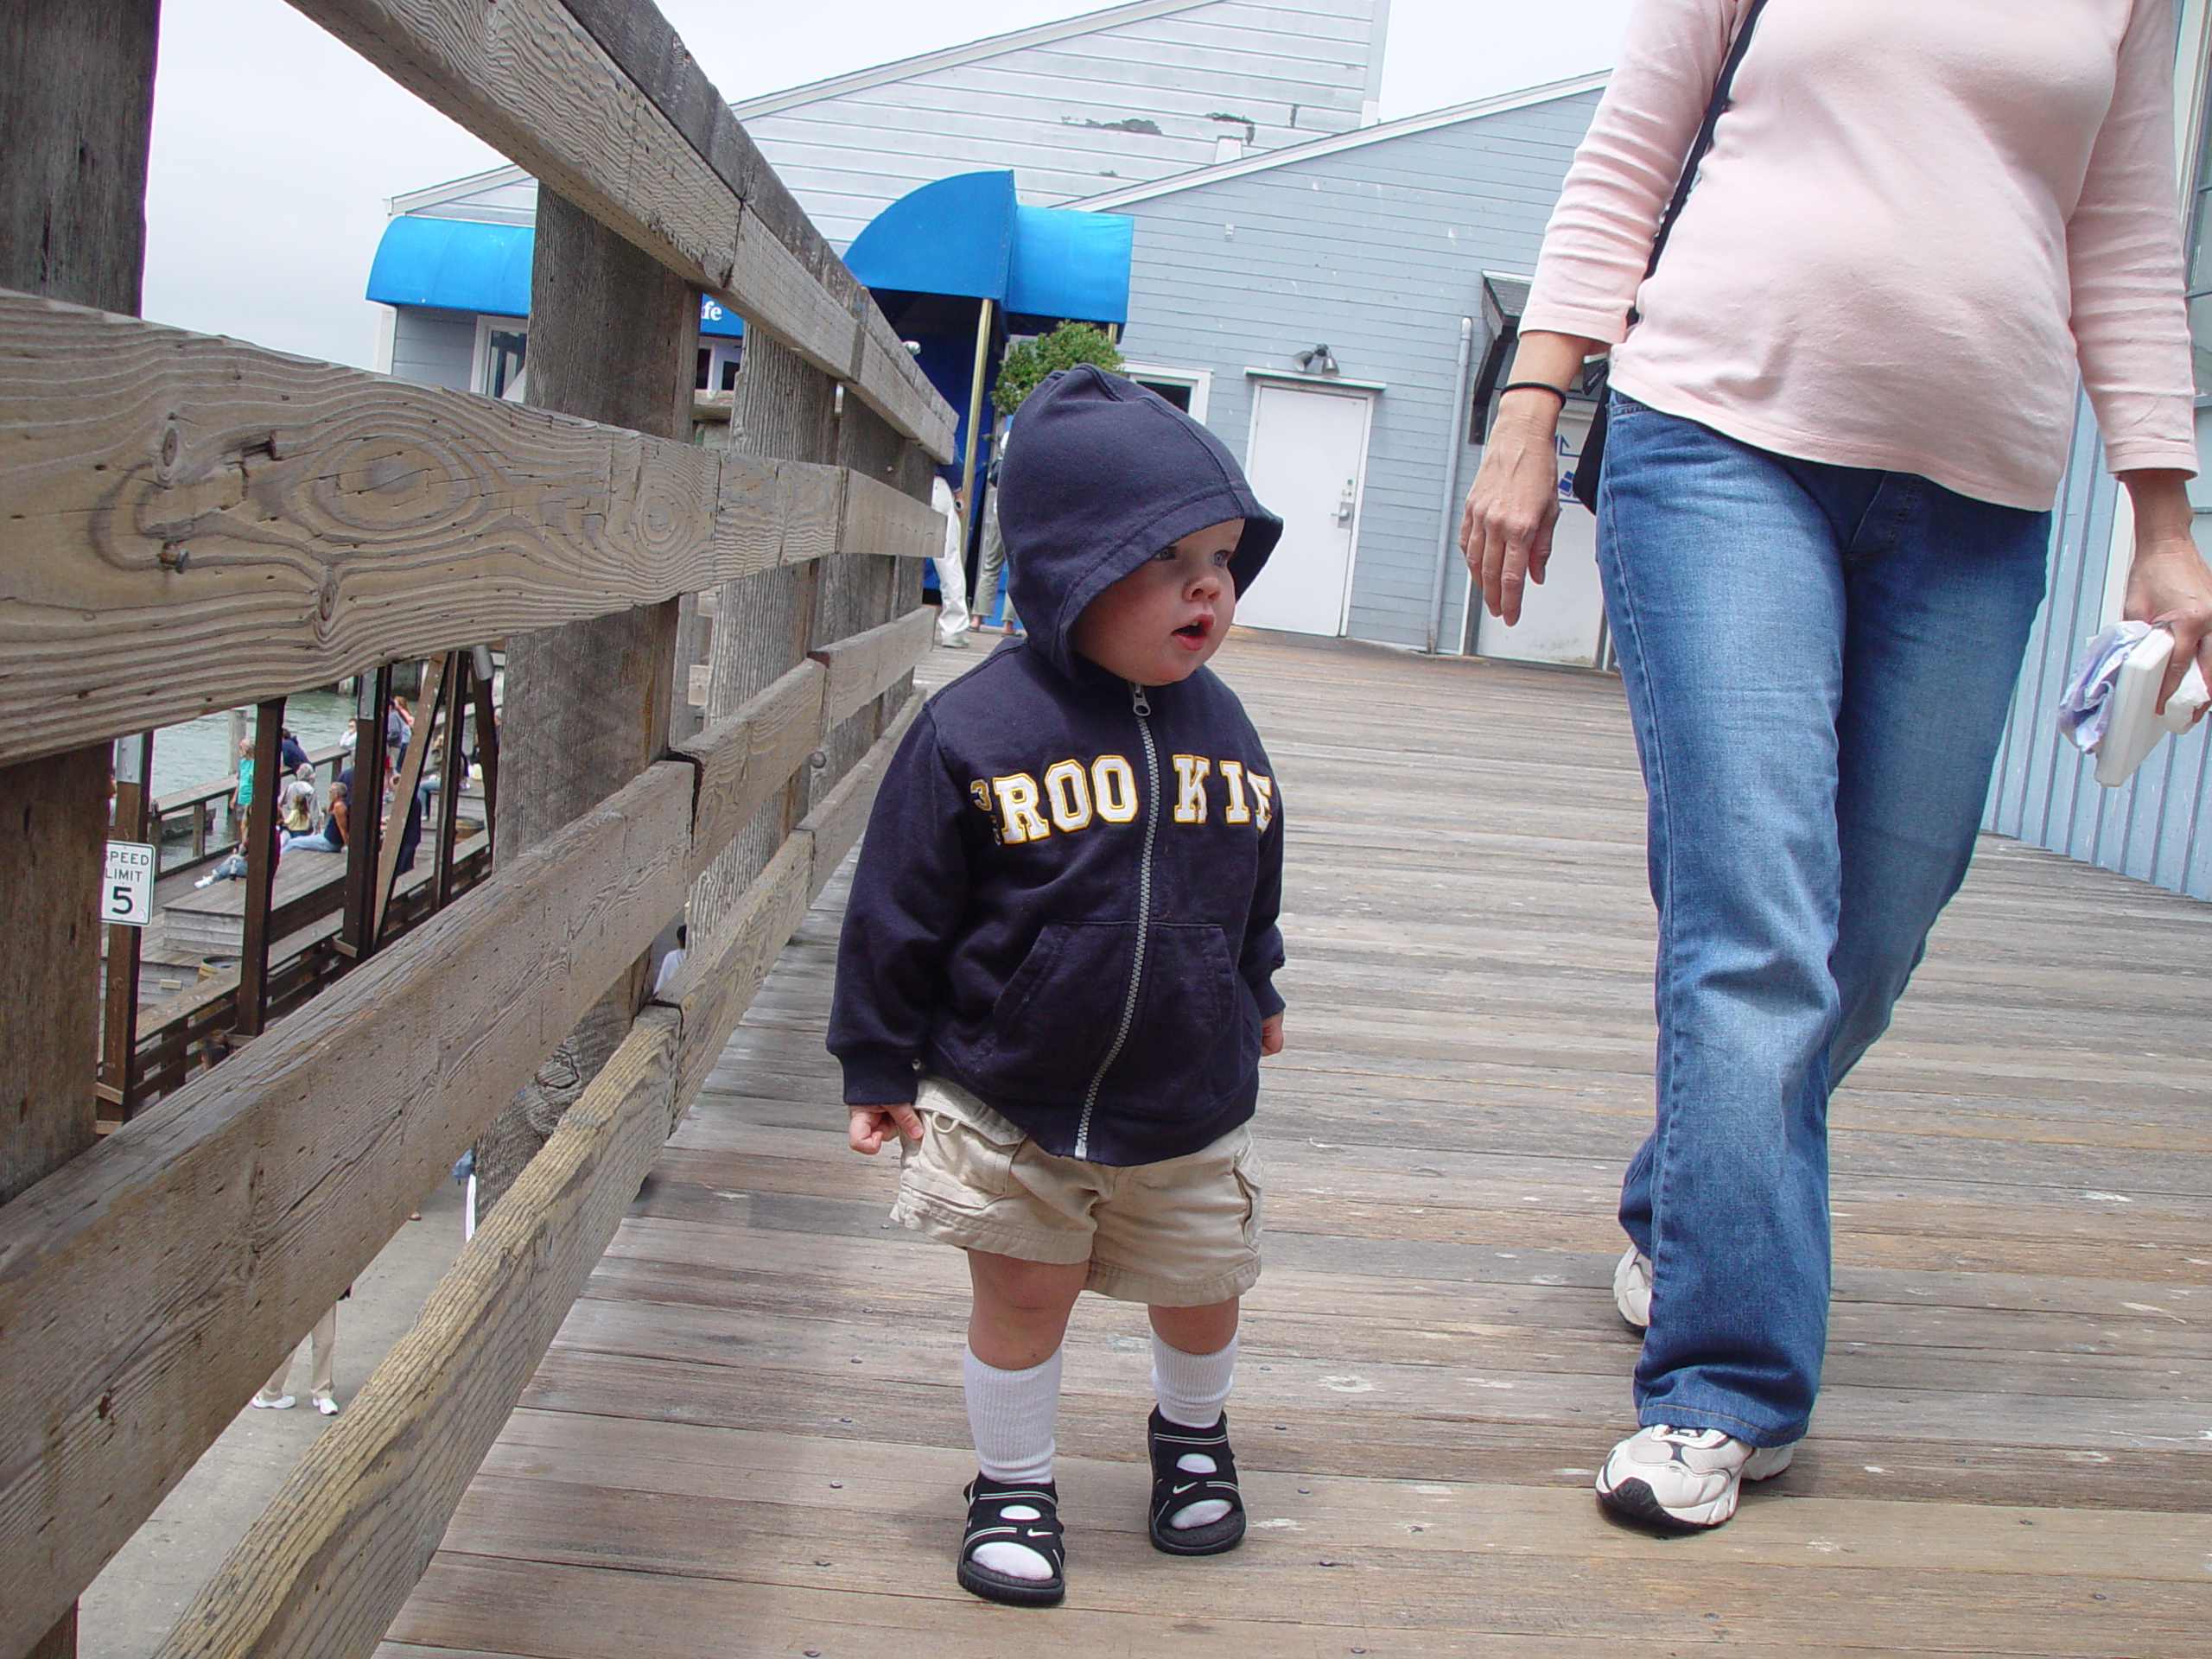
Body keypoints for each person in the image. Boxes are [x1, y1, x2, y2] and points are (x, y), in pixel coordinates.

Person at [1461, 0, 2212, 1533]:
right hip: (1721, 440)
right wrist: (1530, 409)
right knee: (1758, 922)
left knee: (1871, 938)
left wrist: (2163, 513)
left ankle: (1687, 1202)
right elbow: (1629, 152)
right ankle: (1720, 1387)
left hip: (1982, 503)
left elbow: (2126, 240)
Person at [830, 365, 1287, 1608]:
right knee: (1023, 1295)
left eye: (1226, 560)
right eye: (1173, 558)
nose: (1212, 588)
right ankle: (1013, 1481)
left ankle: (1191, 1437)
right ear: (1074, 566)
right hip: (1010, 1097)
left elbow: (1252, 855)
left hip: (1187, 1095)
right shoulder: (976, 731)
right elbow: (897, 911)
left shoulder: (1224, 722)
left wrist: (1258, 976)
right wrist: (878, 1061)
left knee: (1202, 1290)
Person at [251, 1297, 343, 1416]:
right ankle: (270, 1392)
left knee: (325, 1341)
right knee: (287, 1342)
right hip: (294, 1289)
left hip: (323, 1287)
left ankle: (322, 1392)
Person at [929, 468, 973, 647]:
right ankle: (954, 629)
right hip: (935, 484)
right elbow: (951, 458)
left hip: (899, 481)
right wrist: (958, 490)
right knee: (948, 558)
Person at [283, 771, 347, 853]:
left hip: (330, 842)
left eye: (330, 792)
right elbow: (329, 812)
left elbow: (343, 828)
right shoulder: (344, 803)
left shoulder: (339, 806)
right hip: (329, 836)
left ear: (336, 794)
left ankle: (277, 859)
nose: (329, 794)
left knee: (292, 842)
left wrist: (346, 846)